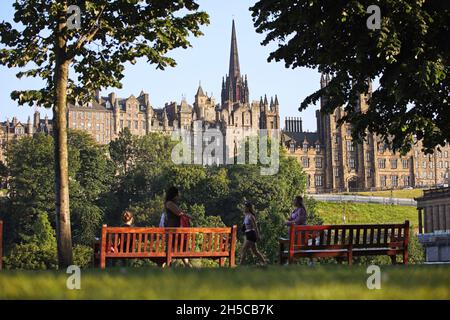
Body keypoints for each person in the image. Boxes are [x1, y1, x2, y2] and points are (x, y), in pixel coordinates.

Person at [164, 186, 192, 267]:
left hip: (176, 231)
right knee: (172, 249)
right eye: (177, 195)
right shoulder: (169, 203)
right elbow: (179, 213)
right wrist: (188, 215)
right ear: (174, 195)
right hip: (173, 231)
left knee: (177, 249)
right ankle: (186, 265)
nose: (178, 197)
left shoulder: (170, 203)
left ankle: (187, 265)